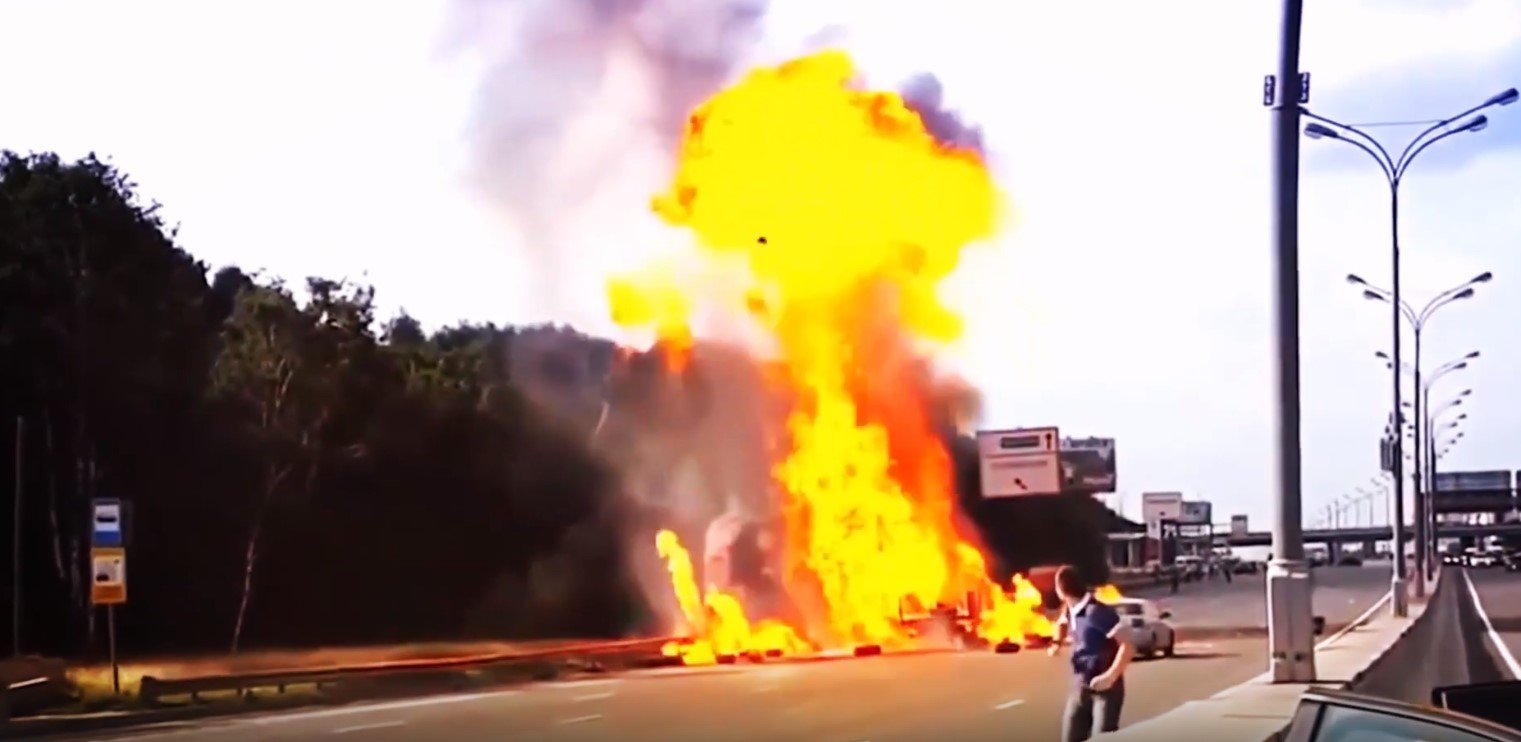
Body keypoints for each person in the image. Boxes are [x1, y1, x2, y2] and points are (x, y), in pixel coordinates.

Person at [1049, 565, 1136, 741]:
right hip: (1081, 687)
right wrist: (1057, 643)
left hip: (1105, 690)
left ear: (1060, 589)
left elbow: (1128, 646)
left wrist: (1110, 677)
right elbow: (1062, 622)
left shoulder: (1096, 612)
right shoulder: (1070, 608)